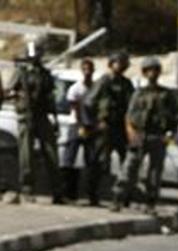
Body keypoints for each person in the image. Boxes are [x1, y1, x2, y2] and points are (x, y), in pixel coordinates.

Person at [112, 56, 178, 213]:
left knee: (155, 172)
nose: (152, 73)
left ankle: (150, 202)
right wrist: (131, 133)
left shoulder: (166, 95)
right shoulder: (139, 94)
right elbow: (129, 116)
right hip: (139, 134)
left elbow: (175, 117)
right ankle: (118, 198)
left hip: (158, 135)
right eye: (149, 70)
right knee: (129, 169)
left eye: (155, 70)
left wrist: (171, 134)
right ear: (144, 73)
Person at [5, 41, 62, 205]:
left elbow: (50, 97)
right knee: (26, 154)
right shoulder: (20, 72)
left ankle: (57, 190)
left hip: (42, 115)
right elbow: (9, 91)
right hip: (26, 115)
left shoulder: (45, 73)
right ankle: (27, 188)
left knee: (51, 152)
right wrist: (19, 98)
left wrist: (55, 117)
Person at [90, 51, 134, 205]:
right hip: (105, 127)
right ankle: (94, 196)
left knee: (126, 162)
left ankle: (123, 197)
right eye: (118, 62)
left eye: (123, 63)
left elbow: (132, 105)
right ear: (111, 64)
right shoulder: (104, 82)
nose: (121, 65)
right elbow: (89, 102)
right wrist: (97, 121)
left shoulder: (126, 84)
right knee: (101, 162)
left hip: (121, 128)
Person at [60, 58, 98, 204]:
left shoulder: (95, 88)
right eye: (85, 69)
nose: (87, 72)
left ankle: (91, 195)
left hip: (91, 126)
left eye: (90, 69)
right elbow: (75, 108)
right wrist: (81, 125)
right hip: (77, 125)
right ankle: (67, 193)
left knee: (91, 161)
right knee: (69, 159)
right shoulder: (76, 88)